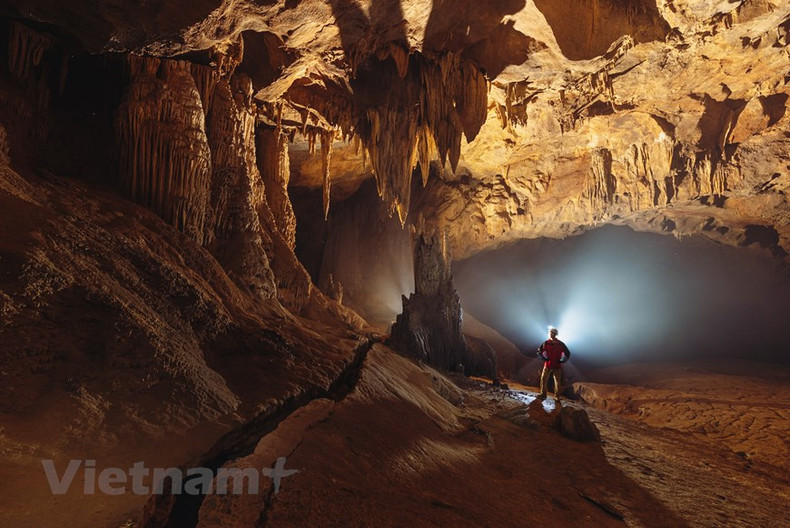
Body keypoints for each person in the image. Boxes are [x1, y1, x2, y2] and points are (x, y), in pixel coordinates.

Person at [536, 327, 570, 401]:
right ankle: (543, 394)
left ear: (555, 334)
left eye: (553, 333)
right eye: (551, 333)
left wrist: (562, 361)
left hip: (556, 365)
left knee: (557, 381)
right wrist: (544, 358)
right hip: (548, 364)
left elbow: (567, 353)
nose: (551, 334)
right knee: (544, 379)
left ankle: (557, 396)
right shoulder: (546, 343)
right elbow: (539, 351)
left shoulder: (560, 344)